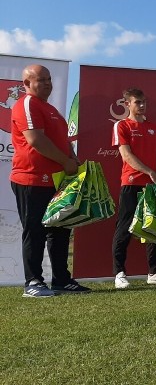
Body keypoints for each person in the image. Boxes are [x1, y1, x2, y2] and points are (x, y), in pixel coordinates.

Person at [10, 64, 90, 297]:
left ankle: (61, 280)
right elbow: (35, 139)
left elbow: (64, 141)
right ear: (26, 83)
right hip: (31, 177)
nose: (47, 83)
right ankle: (33, 282)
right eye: (41, 80)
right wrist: (65, 161)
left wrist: (73, 160)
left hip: (57, 180)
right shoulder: (27, 104)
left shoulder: (51, 109)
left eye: (49, 79)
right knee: (35, 230)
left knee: (60, 228)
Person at [112, 88, 156, 289]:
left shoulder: (154, 128)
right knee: (125, 227)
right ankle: (119, 273)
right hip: (131, 182)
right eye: (137, 102)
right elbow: (127, 156)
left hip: (151, 185)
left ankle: (153, 272)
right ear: (127, 104)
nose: (142, 105)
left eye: (144, 102)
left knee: (152, 227)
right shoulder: (122, 126)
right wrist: (150, 172)